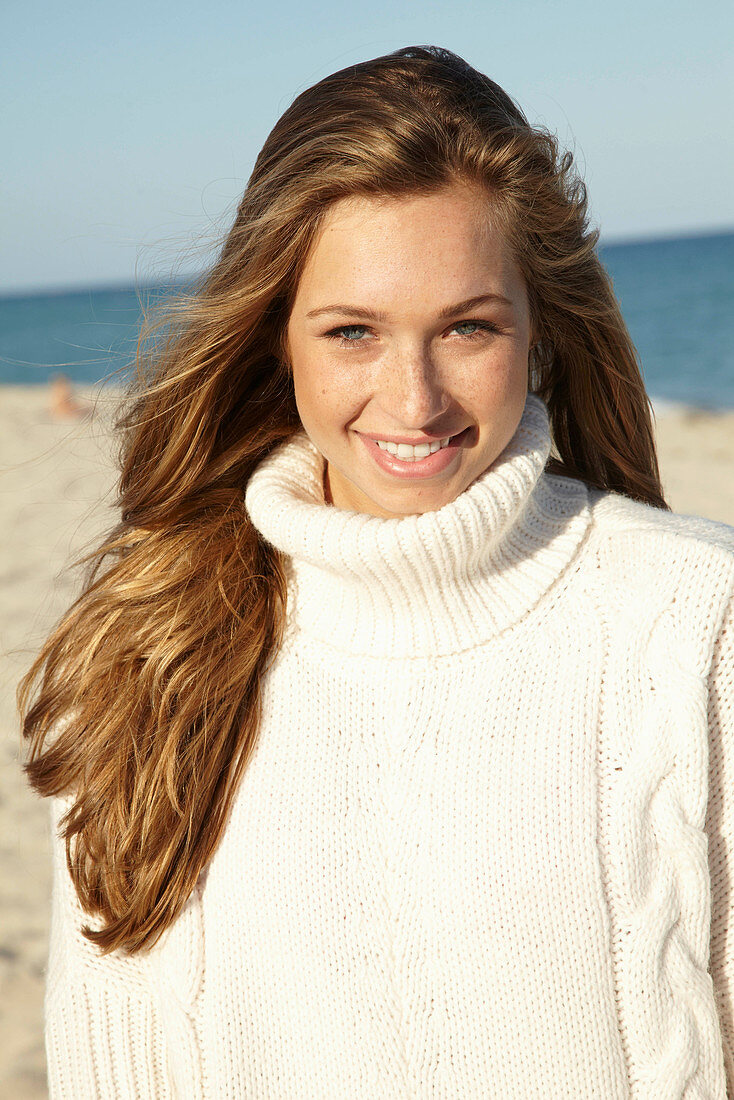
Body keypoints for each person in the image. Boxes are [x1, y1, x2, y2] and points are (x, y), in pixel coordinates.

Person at [18, 45, 734, 1099]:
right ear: (275, 339)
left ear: (537, 331)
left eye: (466, 327)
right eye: (352, 330)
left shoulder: (696, 626)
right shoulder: (139, 656)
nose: (414, 400)